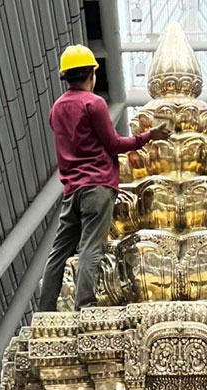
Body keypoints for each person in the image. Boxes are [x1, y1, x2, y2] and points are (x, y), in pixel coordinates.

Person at [39, 45, 169, 311]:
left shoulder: (57, 108)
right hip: (97, 187)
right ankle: (84, 304)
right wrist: (147, 137)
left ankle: (45, 308)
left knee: (59, 252)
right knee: (91, 247)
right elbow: (113, 144)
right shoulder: (94, 104)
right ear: (92, 74)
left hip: (72, 189)